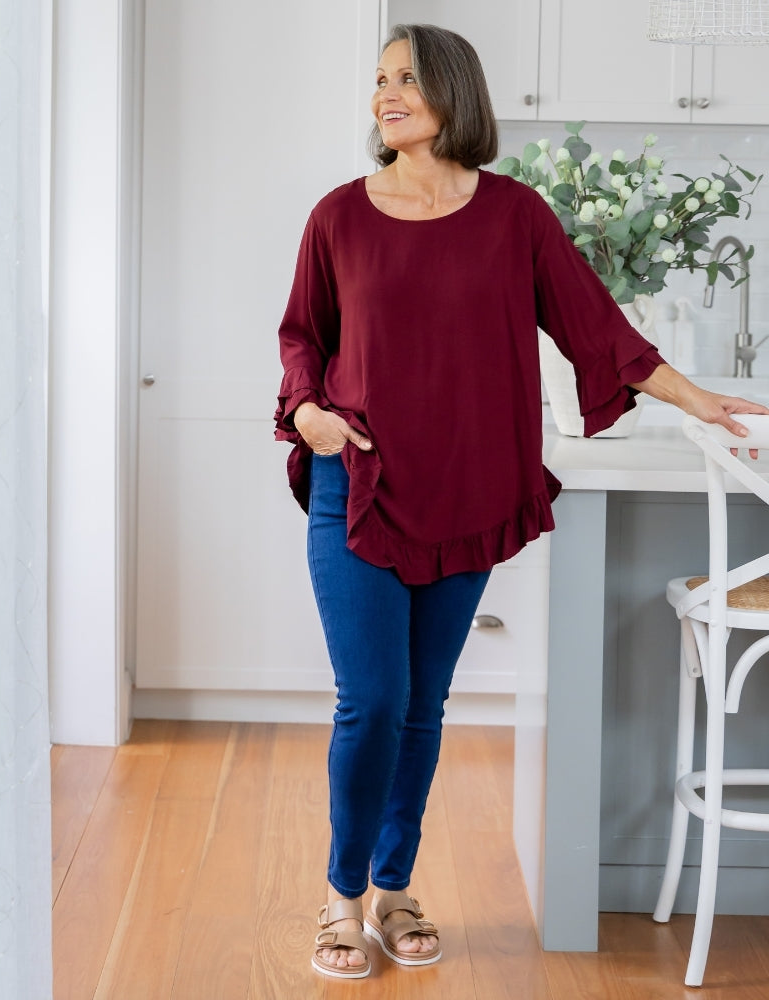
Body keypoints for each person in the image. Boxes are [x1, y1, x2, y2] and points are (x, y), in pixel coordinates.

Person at [274, 23, 767, 980]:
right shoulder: (338, 215)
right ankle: (340, 900)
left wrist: (701, 399)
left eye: (406, 78)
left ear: (452, 91)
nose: (385, 94)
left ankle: (395, 888)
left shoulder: (514, 216)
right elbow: (303, 336)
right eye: (379, 80)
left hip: (468, 485)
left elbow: (598, 329)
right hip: (359, 485)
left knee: (422, 706)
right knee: (370, 701)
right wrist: (306, 413)